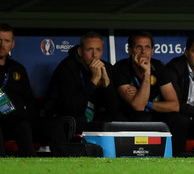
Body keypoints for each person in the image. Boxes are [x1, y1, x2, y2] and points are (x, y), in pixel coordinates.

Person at [112, 31, 187, 156]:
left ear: (152, 51)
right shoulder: (120, 68)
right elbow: (138, 107)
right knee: (142, 117)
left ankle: (178, 158)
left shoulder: (158, 66)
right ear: (130, 50)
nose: (143, 52)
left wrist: (148, 102)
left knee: (178, 120)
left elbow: (175, 105)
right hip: (128, 115)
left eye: (147, 47)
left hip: (153, 111)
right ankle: (142, 157)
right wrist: (147, 73)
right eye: (138, 47)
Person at [43, 31, 121, 151]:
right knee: (79, 119)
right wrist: (94, 80)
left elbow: (114, 107)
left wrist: (106, 84)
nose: (95, 55)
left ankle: (110, 152)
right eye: (90, 49)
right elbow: (73, 106)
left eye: (98, 50)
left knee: (117, 117)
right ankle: (72, 152)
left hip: (93, 114)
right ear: (80, 51)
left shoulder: (106, 67)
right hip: (62, 114)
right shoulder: (67, 67)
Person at [0, 23, 36, 157]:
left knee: (23, 124)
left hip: (15, 119)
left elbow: (29, 99)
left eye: (6, 41)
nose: (2, 45)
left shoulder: (18, 68)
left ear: (12, 44)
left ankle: (32, 165)